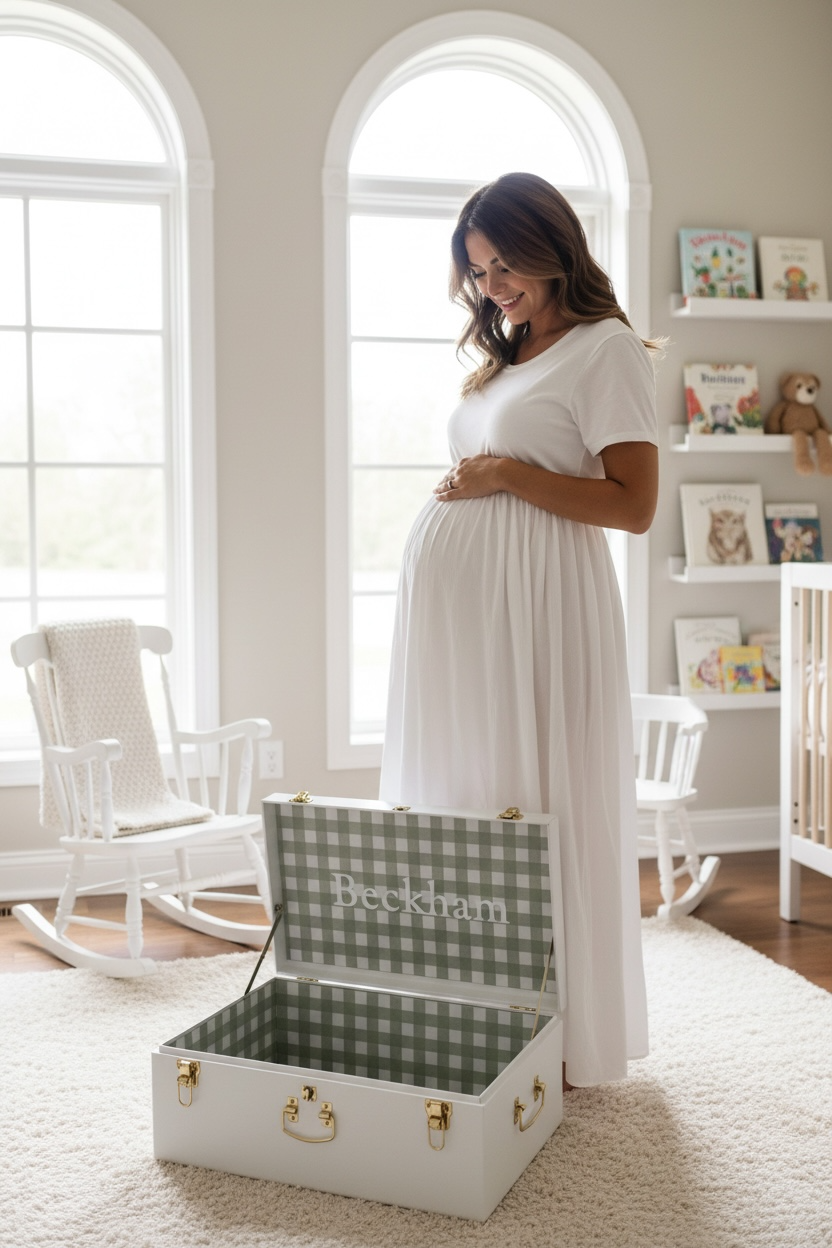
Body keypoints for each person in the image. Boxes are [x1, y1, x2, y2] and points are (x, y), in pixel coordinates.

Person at [379, 171, 659, 1089]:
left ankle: (561, 1034)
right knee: (468, 791)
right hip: (466, 619)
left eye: (505, 265)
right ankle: (473, 1015)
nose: (491, 285)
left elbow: (634, 505)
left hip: (539, 606)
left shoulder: (605, 348)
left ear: (553, 247)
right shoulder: (514, 348)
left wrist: (502, 475)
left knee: (539, 797)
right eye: (478, 270)